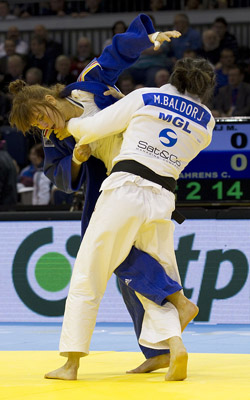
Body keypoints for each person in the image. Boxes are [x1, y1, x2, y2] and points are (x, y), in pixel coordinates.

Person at [9, 15, 197, 375]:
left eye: (40, 116)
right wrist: (77, 161)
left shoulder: (88, 86)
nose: (43, 127)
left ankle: (172, 303)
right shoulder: (56, 140)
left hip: (143, 169)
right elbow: (60, 179)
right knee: (129, 271)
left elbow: (114, 53)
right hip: (115, 190)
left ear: (50, 98)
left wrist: (148, 37)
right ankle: (160, 348)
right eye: (36, 127)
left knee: (102, 264)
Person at [47, 57, 215, 381]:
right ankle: (174, 343)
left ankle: (71, 364)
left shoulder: (147, 96)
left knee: (88, 272)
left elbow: (94, 128)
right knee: (147, 278)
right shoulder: (207, 123)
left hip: (125, 189)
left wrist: (68, 124)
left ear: (174, 77)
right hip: (164, 198)